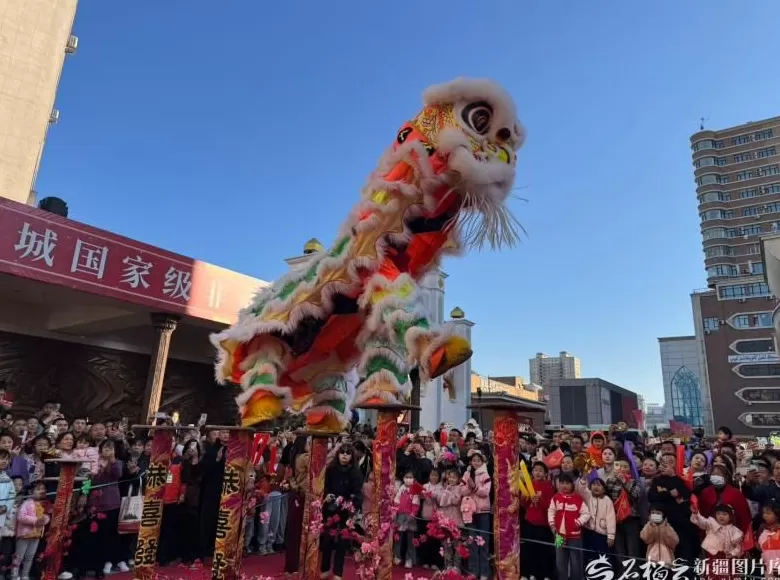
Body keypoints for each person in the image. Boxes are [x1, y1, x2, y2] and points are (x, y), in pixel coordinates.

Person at [320, 444, 363, 580]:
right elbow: (324, 486)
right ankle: (325, 568)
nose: (344, 455)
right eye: (342, 452)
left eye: (348, 453)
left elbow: (358, 494)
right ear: (338, 454)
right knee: (327, 539)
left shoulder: (356, 472)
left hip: (346, 510)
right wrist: (325, 496)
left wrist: (350, 505)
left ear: (352, 456)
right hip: (330, 508)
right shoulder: (331, 469)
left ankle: (338, 572)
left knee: (343, 542)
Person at [548, 472, 590, 580]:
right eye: (562, 483)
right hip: (559, 536)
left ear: (572, 484)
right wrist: (552, 526)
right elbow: (551, 511)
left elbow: (586, 514)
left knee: (576, 562)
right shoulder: (555, 498)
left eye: (567, 483)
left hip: (575, 536)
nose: (564, 485)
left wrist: (577, 523)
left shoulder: (578, 499)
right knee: (560, 562)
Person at [520, 461, 555, 580]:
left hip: (543, 524)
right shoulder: (529, 483)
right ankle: (529, 573)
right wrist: (525, 498)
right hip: (529, 522)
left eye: (540, 470)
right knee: (529, 549)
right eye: (535, 470)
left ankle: (545, 575)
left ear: (545, 473)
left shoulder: (548, 485)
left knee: (543, 551)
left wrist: (539, 500)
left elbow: (550, 506)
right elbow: (524, 505)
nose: (538, 472)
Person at [691, 503, 743, 580]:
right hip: (713, 556)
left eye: (724, 514)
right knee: (712, 574)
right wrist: (696, 514)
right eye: (718, 514)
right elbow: (702, 522)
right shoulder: (711, 524)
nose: (721, 516)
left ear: (731, 516)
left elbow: (739, 547)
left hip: (727, 558)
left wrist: (732, 553)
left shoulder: (735, 531)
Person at [461, 449, 491, 580]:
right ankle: (473, 571)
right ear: (471, 462)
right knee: (472, 541)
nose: (476, 463)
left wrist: (474, 487)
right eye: (474, 460)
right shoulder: (466, 474)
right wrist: (469, 487)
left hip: (483, 511)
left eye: (478, 460)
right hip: (469, 511)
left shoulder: (485, 474)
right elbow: (462, 490)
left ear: (482, 462)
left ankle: (484, 571)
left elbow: (486, 492)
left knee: (483, 542)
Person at [12, 481, 49, 580]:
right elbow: (21, 517)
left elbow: (47, 517)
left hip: (36, 535)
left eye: (43, 489)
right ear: (31, 492)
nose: (42, 491)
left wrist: (44, 520)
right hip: (24, 534)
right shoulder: (26, 503)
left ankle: (25, 575)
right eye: (38, 489)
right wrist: (36, 520)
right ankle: (14, 575)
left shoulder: (44, 504)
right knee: (18, 557)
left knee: (30, 557)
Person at [283, 435, 309, 574]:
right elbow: (323, 463)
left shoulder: (294, 456)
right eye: (309, 442)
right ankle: (298, 566)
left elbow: (291, 477)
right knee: (300, 532)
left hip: (294, 495)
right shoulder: (305, 457)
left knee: (293, 531)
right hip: (303, 496)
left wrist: (295, 486)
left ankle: (290, 566)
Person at [577, 477, 615, 568]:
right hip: (588, 532)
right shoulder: (588, 496)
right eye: (593, 485)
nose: (596, 487)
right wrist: (583, 478)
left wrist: (611, 536)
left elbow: (611, 518)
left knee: (603, 557)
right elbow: (582, 489)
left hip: (602, 534)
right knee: (589, 556)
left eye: (599, 485)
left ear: (604, 489)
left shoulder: (607, 500)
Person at [179, 439, 204, 570]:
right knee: (185, 527)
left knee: (196, 528)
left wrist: (196, 460)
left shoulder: (202, 463)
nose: (192, 448)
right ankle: (185, 555)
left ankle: (196, 556)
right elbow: (184, 479)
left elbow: (200, 478)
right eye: (190, 446)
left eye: (195, 446)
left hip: (199, 498)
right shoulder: (184, 463)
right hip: (185, 497)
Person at [433, 468, 463, 572]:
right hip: (445, 519)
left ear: (458, 479)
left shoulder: (460, 488)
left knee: (457, 544)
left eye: (454, 477)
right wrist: (447, 492)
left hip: (456, 519)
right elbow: (441, 503)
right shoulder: (445, 487)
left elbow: (455, 500)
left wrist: (448, 495)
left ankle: (456, 566)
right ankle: (448, 565)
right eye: (450, 476)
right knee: (446, 543)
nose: (451, 479)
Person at [393, 471, 420, 568]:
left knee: (410, 539)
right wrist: (395, 511)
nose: (408, 479)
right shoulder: (401, 488)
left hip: (410, 517)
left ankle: (409, 559)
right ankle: (397, 556)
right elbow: (396, 500)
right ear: (403, 478)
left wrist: (412, 515)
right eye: (406, 477)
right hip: (400, 515)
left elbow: (416, 504)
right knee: (398, 538)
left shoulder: (415, 490)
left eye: (410, 477)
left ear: (414, 479)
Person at [758, 500, 780, 577]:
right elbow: (761, 547)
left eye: (768, 513)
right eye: (763, 513)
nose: (765, 516)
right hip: (768, 567)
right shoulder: (762, 528)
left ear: (777, 514)